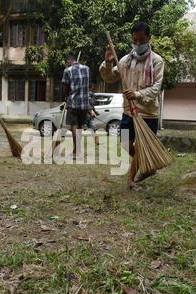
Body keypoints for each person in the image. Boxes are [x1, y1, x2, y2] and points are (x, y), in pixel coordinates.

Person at [100, 22, 165, 190]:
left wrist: (137, 95)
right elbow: (109, 78)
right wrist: (107, 63)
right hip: (128, 111)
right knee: (124, 142)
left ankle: (131, 180)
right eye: (134, 40)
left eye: (141, 40)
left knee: (142, 145)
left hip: (147, 113)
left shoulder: (157, 62)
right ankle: (148, 164)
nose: (137, 44)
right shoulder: (125, 61)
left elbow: (156, 88)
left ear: (148, 38)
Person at [61, 54, 91, 160]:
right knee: (79, 128)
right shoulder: (87, 69)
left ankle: (77, 152)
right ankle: (76, 151)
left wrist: (66, 96)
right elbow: (89, 85)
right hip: (84, 104)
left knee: (73, 126)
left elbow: (65, 86)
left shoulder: (67, 71)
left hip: (73, 102)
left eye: (66, 62)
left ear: (69, 61)